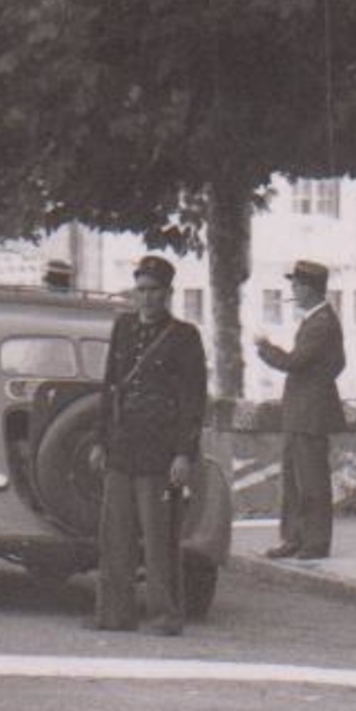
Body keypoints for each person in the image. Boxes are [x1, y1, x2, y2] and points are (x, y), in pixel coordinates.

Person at [88, 255, 208, 635]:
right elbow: (110, 387)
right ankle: (114, 615)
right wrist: (100, 439)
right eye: (140, 290)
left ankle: (164, 616)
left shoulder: (185, 337)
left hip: (161, 453)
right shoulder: (123, 328)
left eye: (154, 291)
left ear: (168, 293)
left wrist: (184, 453)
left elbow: (193, 399)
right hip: (122, 448)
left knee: (160, 539)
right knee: (115, 537)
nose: (146, 298)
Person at [256, 260, 347, 560]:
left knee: (311, 482)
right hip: (303, 411)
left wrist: (264, 347)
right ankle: (295, 538)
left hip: (311, 413)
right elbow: (338, 364)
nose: (293, 289)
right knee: (296, 480)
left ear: (310, 288)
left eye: (296, 284)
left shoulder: (321, 323)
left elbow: (294, 362)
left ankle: (315, 542)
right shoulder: (317, 320)